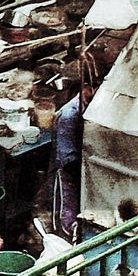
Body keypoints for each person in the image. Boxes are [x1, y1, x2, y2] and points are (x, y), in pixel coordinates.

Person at [48, 82, 95, 240]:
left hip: (85, 170)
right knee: (67, 216)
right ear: (85, 88)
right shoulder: (69, 116)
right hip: (70, 173)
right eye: (91, 88)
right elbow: (67, 162)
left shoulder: (94, 108)